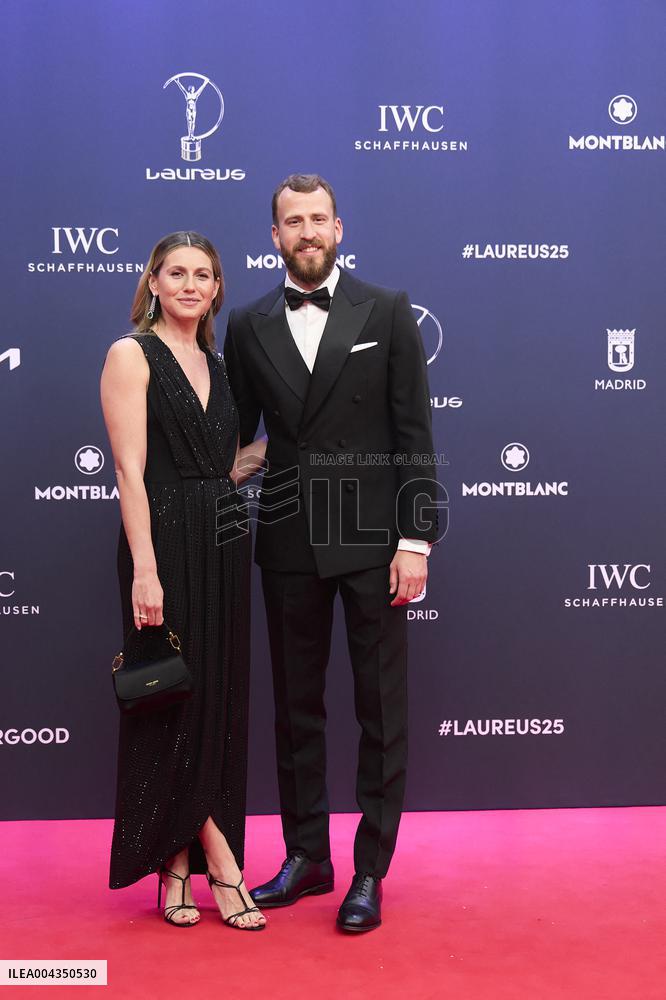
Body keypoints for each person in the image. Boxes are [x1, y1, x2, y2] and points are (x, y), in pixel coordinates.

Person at [224, 175, 439, 933]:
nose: (307, 231)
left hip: (375, 542)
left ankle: (370, 871)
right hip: (287, 538)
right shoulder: (248, 324)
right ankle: (307, 856)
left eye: (318, 219)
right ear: (275, 237)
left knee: (381, 713)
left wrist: (416, 539)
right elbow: (235, 437)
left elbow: (415, 435)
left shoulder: (386, 309)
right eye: (292, 222)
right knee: (295, 711)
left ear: (339, 229)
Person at [101, 232, 267, 930]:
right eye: (178, 273)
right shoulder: (131, 354)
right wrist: (145, 567)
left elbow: (216, 464)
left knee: (217, 700)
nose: (192, 285)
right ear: (155, 282)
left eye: (205, 274)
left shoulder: (221, 366)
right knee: (175, 697)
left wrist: (271, 455)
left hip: (224, 538)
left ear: (217, 287)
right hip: (163, 542)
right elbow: (129, 471)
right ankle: (223, 865)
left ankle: (176, 866)